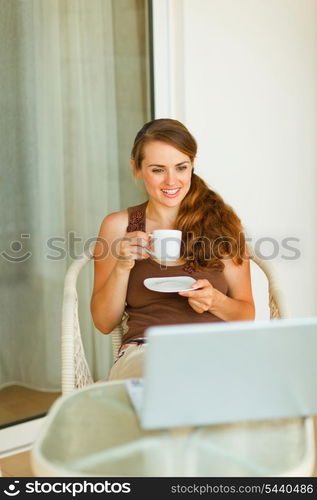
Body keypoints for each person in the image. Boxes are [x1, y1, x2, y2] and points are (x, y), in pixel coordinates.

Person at [91, 118, 255, 380]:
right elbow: (103, 322)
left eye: (181, 167)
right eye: (158, 170)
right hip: (147, 353)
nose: (171, 181)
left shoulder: (221, 224)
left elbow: (246, 314)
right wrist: (122, 266)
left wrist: (215, 301)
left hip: (217, 348)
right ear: (136, 168)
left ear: (192, 166)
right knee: (171, 383)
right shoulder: (118, 226)